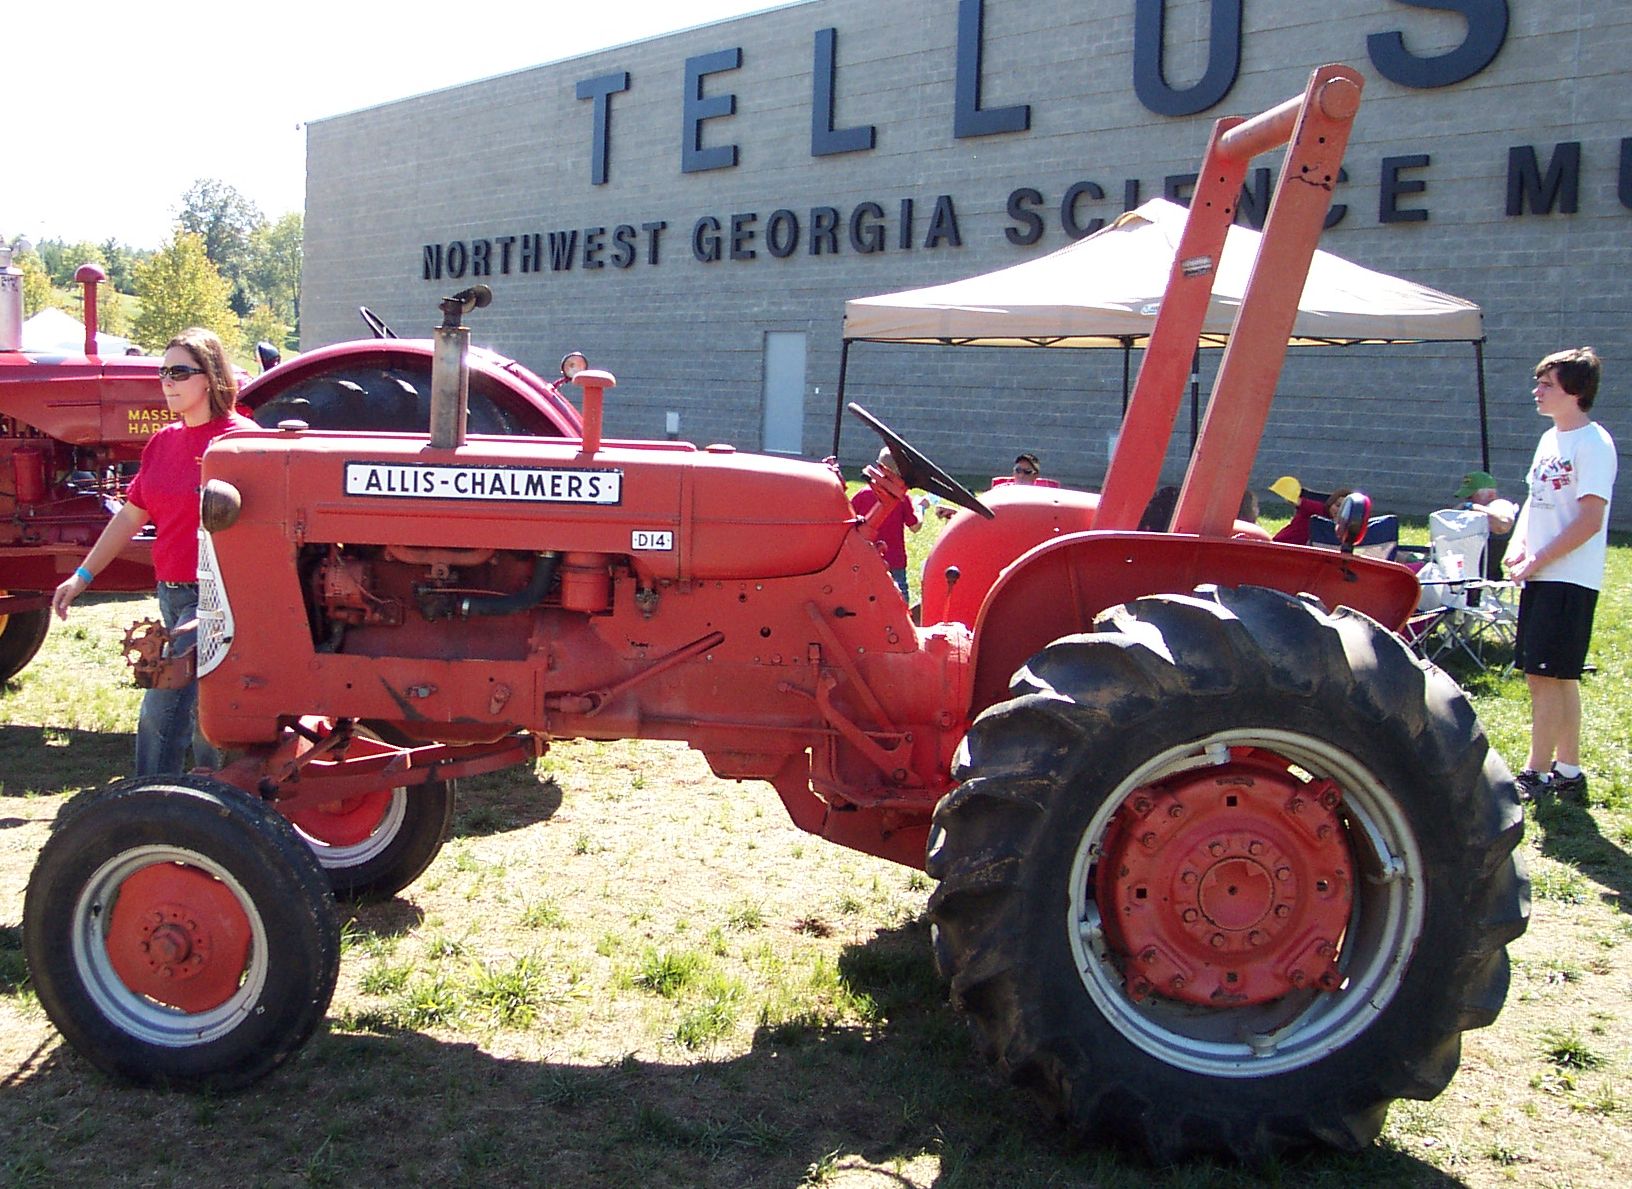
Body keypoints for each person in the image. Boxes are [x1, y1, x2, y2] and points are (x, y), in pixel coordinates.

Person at [53, 328, 257, 775]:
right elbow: (130, 517)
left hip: (222, 598)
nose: (167, 381)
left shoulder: (243, 442)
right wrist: (82, 577)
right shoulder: (162, 443)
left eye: (179, 372)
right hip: (174, 595)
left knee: (200, 713)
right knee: (170, 711)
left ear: (210, 377)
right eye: (164, 372)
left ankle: (204, 805)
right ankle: (159, 803)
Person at [1504, 347, 1616, 802]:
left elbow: (1590, 520)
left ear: (1575, 391)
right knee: (1555, 674)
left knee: (1546, 676)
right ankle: (1568, 770)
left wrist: (1541, 559)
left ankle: (1537, 772)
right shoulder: (1550, 440)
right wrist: (1518, 549)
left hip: (1568, 577)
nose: (1537, 391)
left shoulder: (1594, 444)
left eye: (1546, 384)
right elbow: (1537, 500)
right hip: (1543, 572)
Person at [851, 446, 923, 601]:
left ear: (879, 467)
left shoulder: (862, 495)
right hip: (895, 561)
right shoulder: (902, 499)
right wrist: (921, 508)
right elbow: (915, 526)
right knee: (899, 600)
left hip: (864, 560)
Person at [1451, 469, 1518, 579]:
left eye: (1470, 497)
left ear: (1491, 494)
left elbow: (1503, 523)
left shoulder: (1500, 505)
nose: (1467, 500)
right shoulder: (1474, 509)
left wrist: (1471, 507)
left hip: (1480, 572)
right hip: (1458, 566)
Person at [1268, 477, 1351, 545]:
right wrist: (1289, 492)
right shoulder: (1318, 508)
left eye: (1344, 508)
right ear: (1330, 503)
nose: (1339, 510)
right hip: (1282, 544)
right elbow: (1297, 501)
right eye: (1337, 505)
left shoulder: (1342, 526)